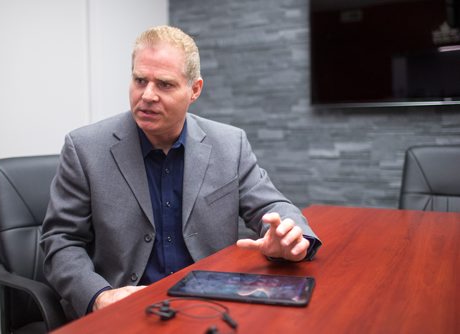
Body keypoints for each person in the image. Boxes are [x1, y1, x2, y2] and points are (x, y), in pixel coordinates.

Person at [40, 25, 321, 320]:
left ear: (194, 90)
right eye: (139, 80)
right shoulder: (84, 148)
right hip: (125, 310)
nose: (147, 95)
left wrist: (292, 237)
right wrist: (98, 296)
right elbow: (60, 241)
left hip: (209, 305)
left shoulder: (229, 144)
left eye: (164, 84)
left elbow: (271, 206)